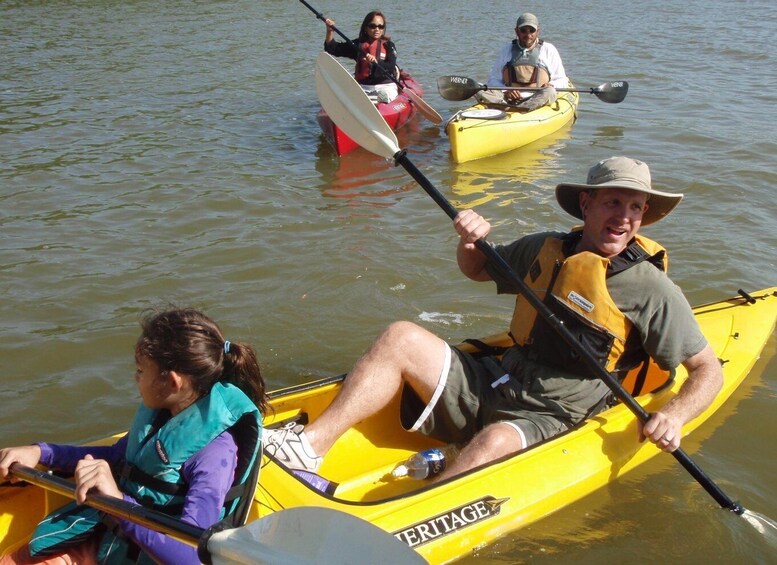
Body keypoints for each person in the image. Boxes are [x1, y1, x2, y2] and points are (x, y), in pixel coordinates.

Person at [264, 157, 723, 484]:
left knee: (492, 443)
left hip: (549, 413)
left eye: (635, 207)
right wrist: (469, 240)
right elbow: (478, 269)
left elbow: (708, 369)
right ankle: (307, 449)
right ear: (586, 204)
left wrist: (675, 415)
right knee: (400, 336)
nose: (623, 218)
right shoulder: (545, 247)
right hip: (496, 377)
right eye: (613, 203)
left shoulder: (652, 289)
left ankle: (419, 507)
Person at [0, 308, 269, 564]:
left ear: (172, 382)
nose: (134, 377)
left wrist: (118, 502)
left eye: (141, 371)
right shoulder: (169, 415)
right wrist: (41, 453)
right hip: (110, 537)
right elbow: (118, 456)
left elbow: (192, 555)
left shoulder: (215, 453)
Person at [475, 12, 568, 111]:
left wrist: (551, 85)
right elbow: (493, 80)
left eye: (532, 30)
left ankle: (521, 108)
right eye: (523, 30)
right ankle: (509, 106)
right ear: (516, 31)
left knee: (550, 92)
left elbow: (562, 80)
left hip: (536, 97)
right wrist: (506, 90)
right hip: (508, 98)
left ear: (538, 31)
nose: (528, 35)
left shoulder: (548, 49)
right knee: (478, 88)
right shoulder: (506, 50)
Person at [323, 11, 399, 102]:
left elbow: (390, 66)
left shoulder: (389, 45)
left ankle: (383, 102)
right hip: (363, 87)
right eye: (373, 26)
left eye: (380, 26)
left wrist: (376, 62)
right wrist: (329, 31)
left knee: (385, 95)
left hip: (385, 86)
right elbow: (333, 48)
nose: (377, 29)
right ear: (366, 27)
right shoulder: (358, 45)